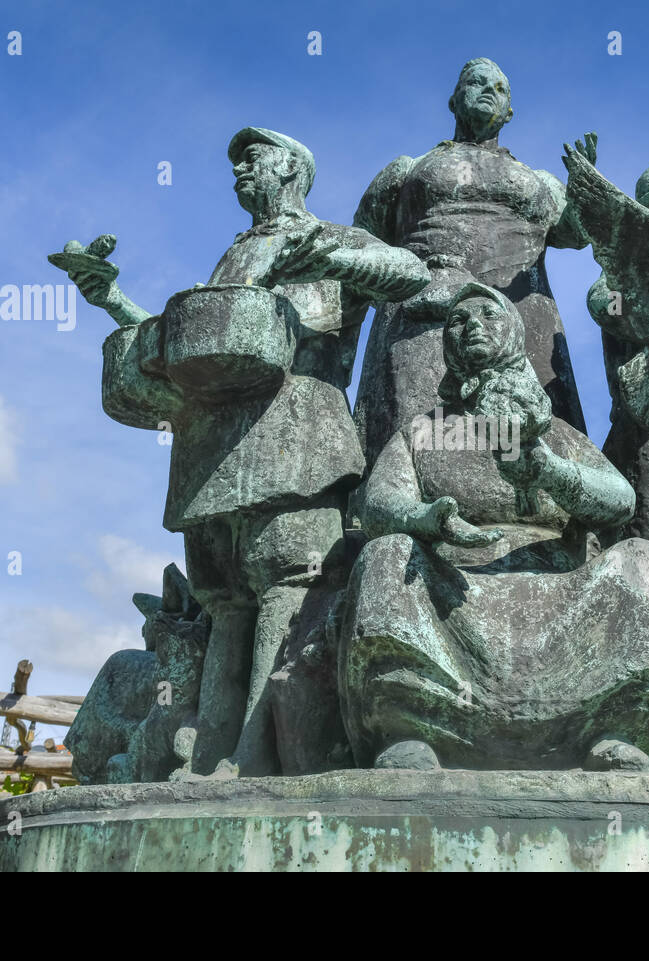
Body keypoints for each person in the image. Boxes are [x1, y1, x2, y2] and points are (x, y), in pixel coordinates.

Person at [60, 127, 429, 777]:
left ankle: (256, 758)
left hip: (299, 451)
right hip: (214, 459)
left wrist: (333, 258)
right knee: (226, 610)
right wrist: (111, 299)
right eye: (238, 162)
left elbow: (410, 271)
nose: (240, 170)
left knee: (287, 600)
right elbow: (193, 343)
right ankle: (210, 759)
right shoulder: (235, 253)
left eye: (254, 159)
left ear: (293, 169)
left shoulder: (328, 237)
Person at [338, 283, 649, 772]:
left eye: (488, 315)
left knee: (641, 560)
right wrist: (426, 520)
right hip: (452, 587)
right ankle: (412, 730)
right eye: (458, 323)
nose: (472, 328)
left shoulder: (557, 434)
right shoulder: (423, 432)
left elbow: (619, 502)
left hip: (562, 586)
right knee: (387, 555)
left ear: (512, 331)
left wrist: (550, 470)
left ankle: (615, 729)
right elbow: (378, 504)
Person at [351, 57, 596, 475]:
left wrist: (587, 193)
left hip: (521, 315)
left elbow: (576, 234)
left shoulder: (538, 180)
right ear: (453, 100)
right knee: (416, 434)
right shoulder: (409, 169)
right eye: (475, 83)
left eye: (498, 88)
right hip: (427, 312)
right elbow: (362, 243)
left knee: (539, 439)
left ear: (510, 111)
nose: (487, 91)